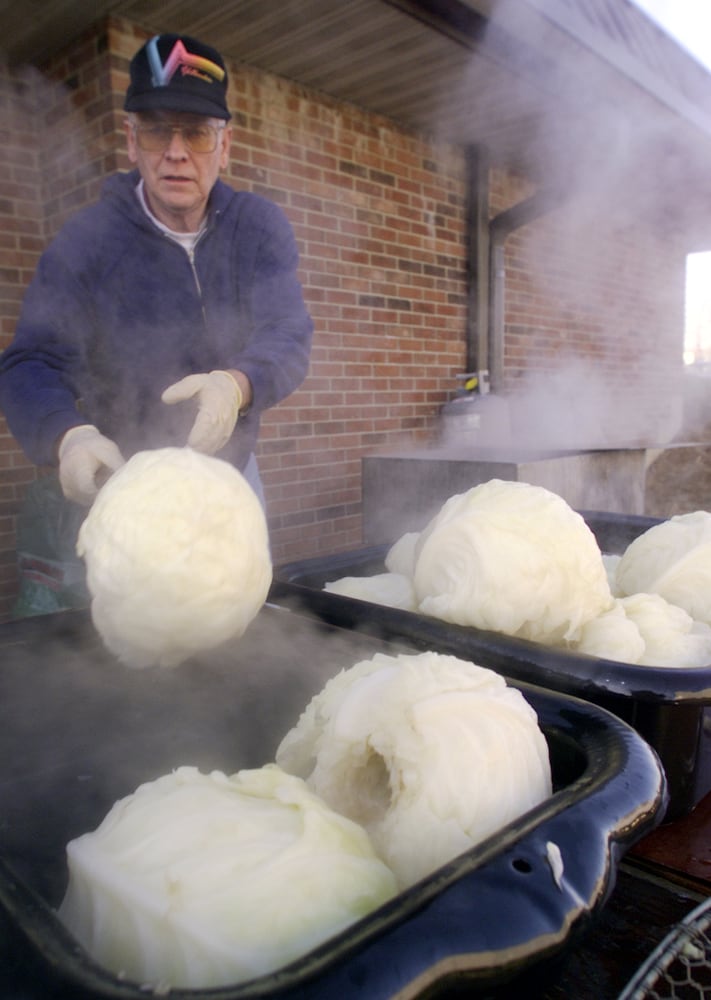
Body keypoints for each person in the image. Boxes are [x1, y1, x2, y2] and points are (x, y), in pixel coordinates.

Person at [0, 33, 313, 510]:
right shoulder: (86, 242)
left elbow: (289, 331)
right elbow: (30, 362)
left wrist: (236, 385)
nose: (176, 151)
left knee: (247, 585)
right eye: (155, 129)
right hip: (127, 485)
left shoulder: (258, 226)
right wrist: (70, 437)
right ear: (131, 140)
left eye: (197, 133)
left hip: (232, 475)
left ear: (225, 146)